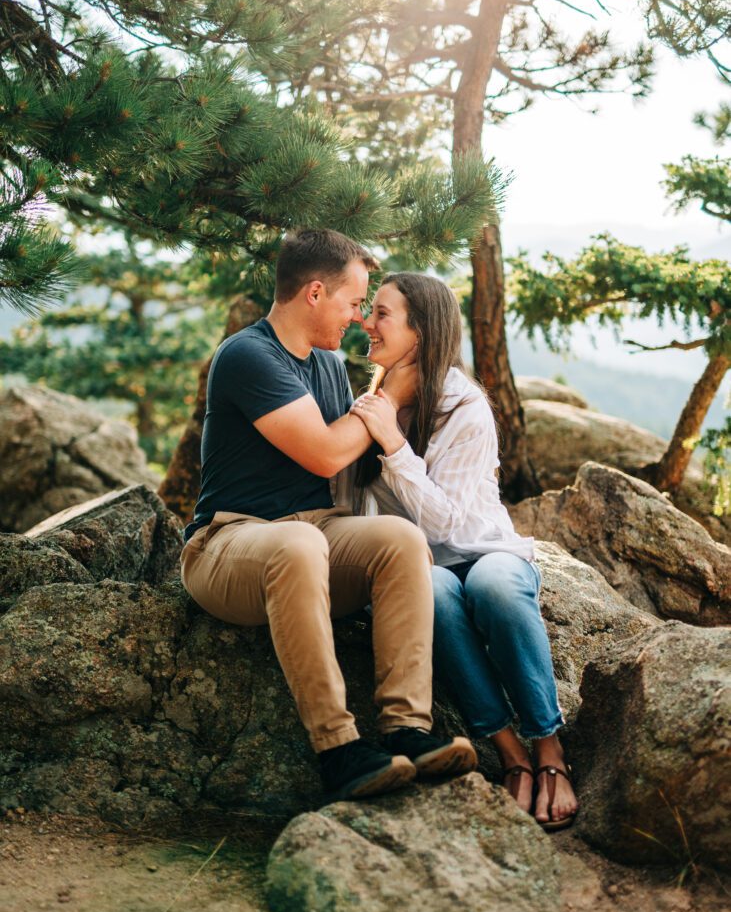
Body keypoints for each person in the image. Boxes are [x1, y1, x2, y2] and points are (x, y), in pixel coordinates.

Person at [180, 231, 477, 803]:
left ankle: (407, 730)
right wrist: (385, 398)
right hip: (229, 544)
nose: (359, 317)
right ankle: (338, 750)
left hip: (316, 531)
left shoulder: (326, 364)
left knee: (398, 539)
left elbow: (354, 454)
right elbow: (324, 450)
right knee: (298, 544)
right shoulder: (247, 355)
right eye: (353, 302)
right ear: (315, 293)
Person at [350, 272, 579, 830]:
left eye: (381, 313)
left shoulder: (465, 405)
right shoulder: (372, 399)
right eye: (368, 310)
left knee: (493, 586)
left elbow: (448, 521)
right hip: (418, 562)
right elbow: (354, 501)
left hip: (482, 549)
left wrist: (394, 445)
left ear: (421, 333)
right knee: (430, 591)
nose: (365, 323)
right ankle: (510, 753)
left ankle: (549, 748)